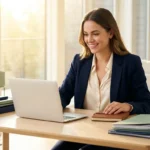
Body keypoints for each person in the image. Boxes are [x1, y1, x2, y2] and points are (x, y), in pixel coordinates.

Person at [52, 8, 150, 150]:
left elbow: (147, 103)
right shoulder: (79, 62)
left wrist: (128, 106)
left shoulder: (130, 63)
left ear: (110, 33)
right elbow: (63, 95)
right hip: (84, 130)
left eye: (95, 34)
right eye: (86, 34)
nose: (89, 40)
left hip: (116, 134)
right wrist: (47, 106)